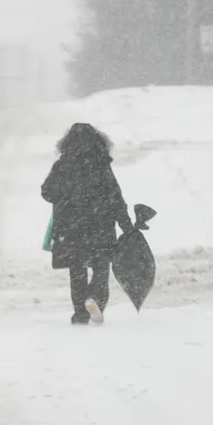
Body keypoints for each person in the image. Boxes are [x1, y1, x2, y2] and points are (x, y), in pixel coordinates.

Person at [41, 123, 133, 325]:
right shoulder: (101, 165)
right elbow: (115, 197)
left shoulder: (62, 165)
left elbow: (46, 191)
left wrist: (65, 199)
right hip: (101, 225)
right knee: (101, 268)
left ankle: (80, 313)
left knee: (77, 272)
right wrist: (126, 225)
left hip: (71, 227)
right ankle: (95, 299)